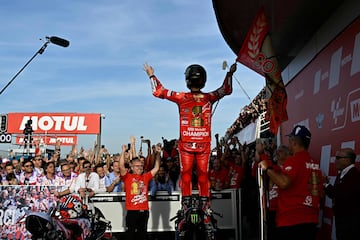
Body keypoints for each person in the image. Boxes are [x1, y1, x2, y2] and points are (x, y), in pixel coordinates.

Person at [143, 62, 237, 231]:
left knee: (186, 174)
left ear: (187, 80)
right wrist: (230, 74)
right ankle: (205, 206)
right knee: (203, 175)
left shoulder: (181, 97)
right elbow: (226, 89)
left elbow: (159, 92)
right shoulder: (209, 97)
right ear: (204, 81)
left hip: (186, 144)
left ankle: (185, 205)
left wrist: (151, 75)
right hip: (203, 145)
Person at [259, 125, 322, 240]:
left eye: (289, 139)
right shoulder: (315, 164)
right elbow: (319, 192)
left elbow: (284, 183)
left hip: (291, 220)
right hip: (311, 220)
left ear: (293, 141)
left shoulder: (293, 160)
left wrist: (266, 169)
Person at [119, 143, 161, 240]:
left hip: (144, 211)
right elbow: (121, 166)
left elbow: (156, 168)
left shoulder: (145, 177)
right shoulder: (127, 177)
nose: (140, 167)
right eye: (137, 166)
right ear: (132, 167)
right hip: (132, 211)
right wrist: (123, 151)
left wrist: (158, 154)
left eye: (141, 166)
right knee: (130, 234)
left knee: (142, 235)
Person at [324, 148, 360, 240]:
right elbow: (336, 193)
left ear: (347, 160)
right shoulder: (341, 174)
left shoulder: (354, 176)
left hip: (350, 223)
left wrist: (325, 184)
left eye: (338, 158)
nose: (335, 160)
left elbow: (339, 194)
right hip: (341, 220)